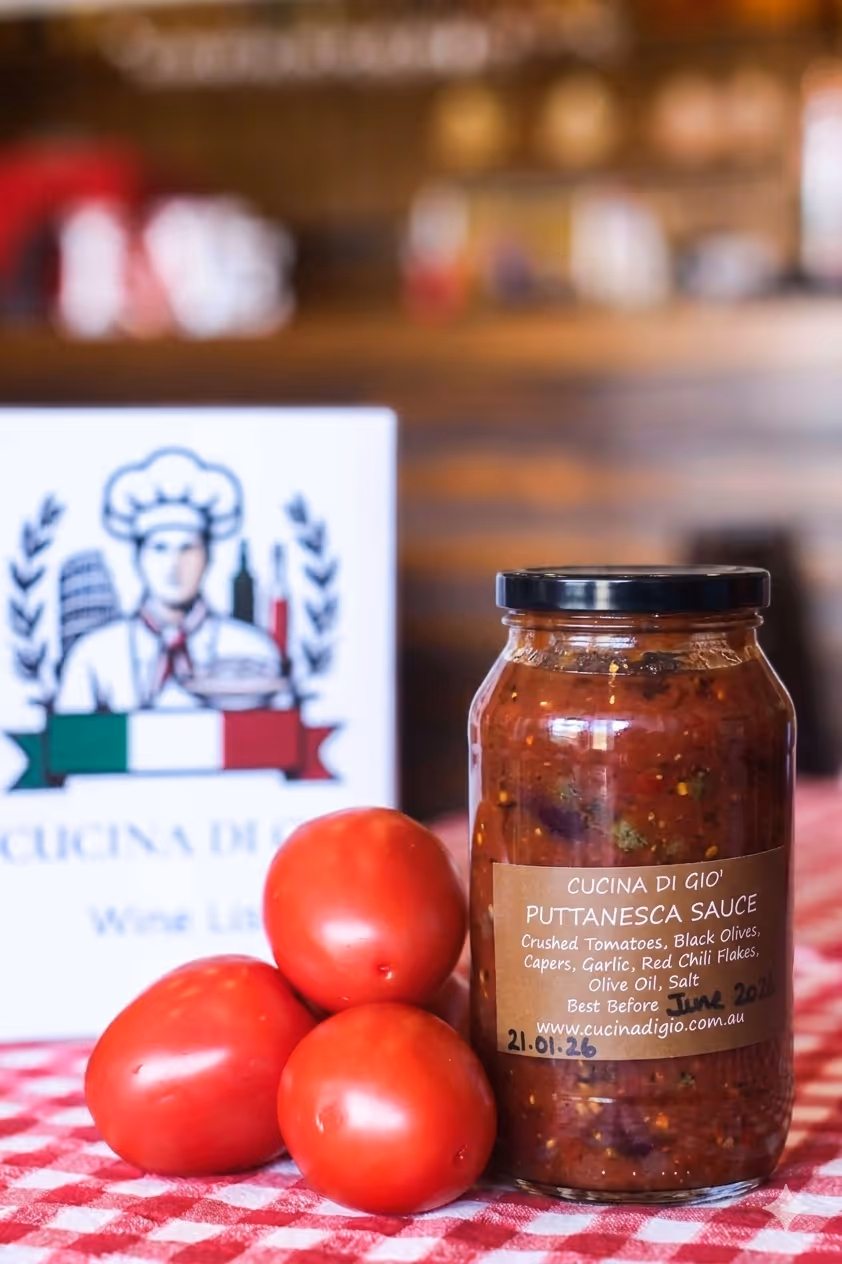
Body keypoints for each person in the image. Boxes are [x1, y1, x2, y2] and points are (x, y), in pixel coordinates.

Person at [55, 448, 281, 712]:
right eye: (160, 548)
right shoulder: (92, 656)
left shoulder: (255, 651)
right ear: (137, 559)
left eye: (187, 549)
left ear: (208, 557)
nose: (174, 564)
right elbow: (69, 745)